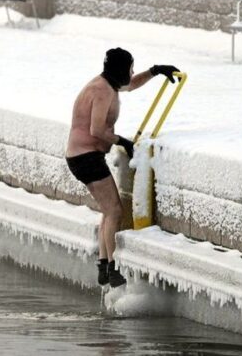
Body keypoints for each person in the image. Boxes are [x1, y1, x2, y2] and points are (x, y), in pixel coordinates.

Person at [65, 48, 179, 287]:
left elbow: (131, 84)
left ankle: (104, 266)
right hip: (86, 157)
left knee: (109, 211)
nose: (132, 72)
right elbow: (96, 131)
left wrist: (155, 71)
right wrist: (122, 141)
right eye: (130, 68)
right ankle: (111, 267)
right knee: (114, 211)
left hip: (85, 156)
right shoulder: (101, 90)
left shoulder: (108, 84)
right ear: (120, 69)